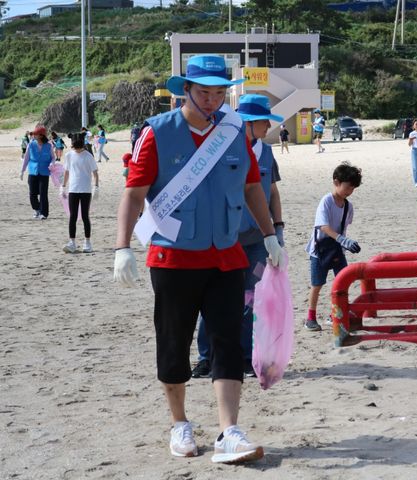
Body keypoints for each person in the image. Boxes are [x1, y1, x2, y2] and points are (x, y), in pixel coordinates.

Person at [112, 54, 286, 464]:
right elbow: (134, 194)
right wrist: (122, 247)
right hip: (173, 260)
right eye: (203, 91)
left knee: (228, 341)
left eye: (219, 92)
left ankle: (229, 431)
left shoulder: (234, 132)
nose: (211, 100)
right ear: (185, 90)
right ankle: (180, 424)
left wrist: (270, 234)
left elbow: (251, 189)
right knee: (174, 343)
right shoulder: (157, 134)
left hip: (227, 257)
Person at [192, 94, 285, 378]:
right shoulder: (220, 149)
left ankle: (246, 355)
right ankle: (207, 356)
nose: (269, 125)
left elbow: (271, 192)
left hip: (257, 242)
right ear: (248, 123)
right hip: (224, 241)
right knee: (212, 299)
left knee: (249, 299)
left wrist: (277, 230)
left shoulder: (267, 153)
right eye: (264, 120)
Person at [304, 162, 363, 331]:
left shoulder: (348, 206)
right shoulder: (326, 201)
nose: (349, 191)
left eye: (353, 188)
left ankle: (336, 314)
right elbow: (322, 226)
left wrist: (346, 243)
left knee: (342, 282)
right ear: (336, 182)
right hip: (319, 251)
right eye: (347, 187)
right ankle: (310, 318)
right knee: (317, 285)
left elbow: (343, 227)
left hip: (337, 249)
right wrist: (342, 240)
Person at [61, 133, 99, 253]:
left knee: (84, 216)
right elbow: (66, 172)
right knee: (72, 217)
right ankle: (72, 242)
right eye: (75, 147)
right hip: (73, 189)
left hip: (86, 190)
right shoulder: (68, 155)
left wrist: (96, 187)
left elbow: (95, 173)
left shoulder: (88, 156)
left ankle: (87, 242)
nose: (77, 149)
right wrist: (63, 186)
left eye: (78, 147)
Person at [20, 126, 54, 219]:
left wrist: (52, 164)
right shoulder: (31, 144)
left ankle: (44, 213)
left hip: (44, 172)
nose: (33, 135)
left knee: (43, 193)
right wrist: (22, 171)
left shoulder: (49, 146)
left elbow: (53, 158)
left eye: (36, 133)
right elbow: (26, 158)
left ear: (41, 135)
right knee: (32, 194)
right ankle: (37, 209)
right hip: (32, 172)